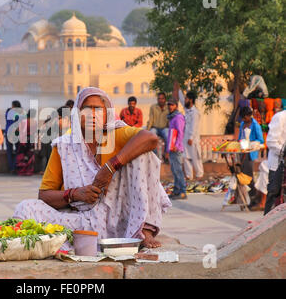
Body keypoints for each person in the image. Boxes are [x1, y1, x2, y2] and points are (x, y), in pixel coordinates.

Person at [13, 87, 172, 249]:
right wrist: (75, 194)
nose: (92, 114)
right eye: (86, 108)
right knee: (25, 208)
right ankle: (79, 239)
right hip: (81, 220)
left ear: (106, 114)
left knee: (143, 154)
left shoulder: (115, 134)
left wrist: (110, 167)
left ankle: (144, 230)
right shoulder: (64, 146)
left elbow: (151, 138)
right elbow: (44, 195)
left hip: (122, 218)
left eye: (98, 109)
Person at [238, 106, 264, 208]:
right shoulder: (242, 124)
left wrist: (251, 144)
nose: (244, 120)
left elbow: (261, 140)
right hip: (242, 152)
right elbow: (240, 137)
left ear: (249, 116)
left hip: (250, 153)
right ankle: (244, 197)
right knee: (242, 175)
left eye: (245, 118)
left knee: (248, 176)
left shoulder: (256, 126)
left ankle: (253, 197)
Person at [178, 90, 204, 180]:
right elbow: (181, 100)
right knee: (186, 157)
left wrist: (191, 137)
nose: (184, 100)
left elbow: (194, 125)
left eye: (186, 99)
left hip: (193, 140)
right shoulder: (187, 110)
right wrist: (178, 89)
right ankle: (189, 176)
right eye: (185, 98)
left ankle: (199, 175)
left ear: (191, 100)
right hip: (185, 139)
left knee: (195, 158)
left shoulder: (195, 112)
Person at [264, 110, 286, 214]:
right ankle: (265, 223)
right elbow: (271, 142)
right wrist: (283, 152)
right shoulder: (280, 117)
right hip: (278, 163)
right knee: (274, 192)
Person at [166, 98, 187, 200]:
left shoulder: (178, 117)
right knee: (174, 170)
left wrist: (176, 145)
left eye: (172, 105)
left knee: (178, 170)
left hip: (176, 148)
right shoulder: (172, 117)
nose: (170, 107)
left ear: (176, 106)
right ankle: (176, 190)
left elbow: (180, 132)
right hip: (171, 148)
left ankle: (183, 191)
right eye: (169, 105)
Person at [147, 92, 169, 160]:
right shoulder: (153, 107)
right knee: (152, 136)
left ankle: (165, 154)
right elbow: (150, 120)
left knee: (168, 135)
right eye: (159, 98)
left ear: (165, 99)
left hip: (164, 128)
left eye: (162, 98)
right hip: (155, 127)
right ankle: (155, 155)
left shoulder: (168, 107)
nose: (160, 100)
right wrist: (147, 131)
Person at [16, 109, 38, 176]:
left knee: (22, 155)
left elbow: (17, 130)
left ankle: (22, 171)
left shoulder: (23, 121)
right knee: (30, 155)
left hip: (23, 140)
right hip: (31, 140)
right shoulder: (34, 122)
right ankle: (29, 171)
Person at [5, 101, 22, 174]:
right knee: (18, 150)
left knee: (9, 151)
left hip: (8, 132)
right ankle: (15, 166)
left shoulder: (8, 112)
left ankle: (11, 168)